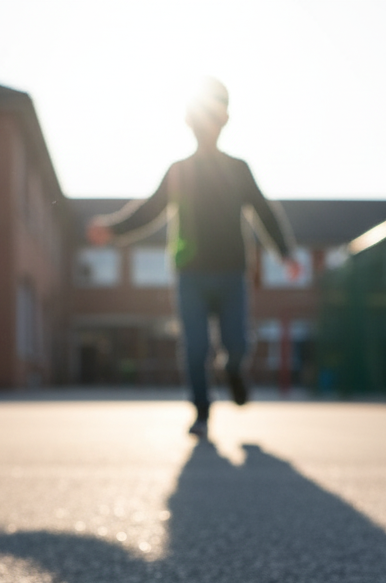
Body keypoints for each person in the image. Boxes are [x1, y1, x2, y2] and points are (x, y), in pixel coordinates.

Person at [87, 77, 299, 437]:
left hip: (231, 272)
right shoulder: (179, 171)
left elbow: (264, 211)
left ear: (225, 120)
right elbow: (150, 210)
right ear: (189, 122)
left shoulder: (238, 169)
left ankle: (234, 371)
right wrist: (113, 227)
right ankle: (201, 413)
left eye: (214, 116)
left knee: (237, 343)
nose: (206, 124)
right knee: (196, 346)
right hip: (191, 274)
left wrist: (286, 253)